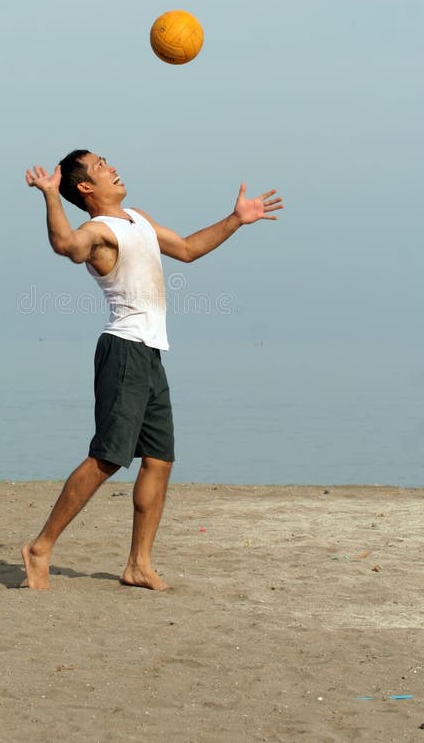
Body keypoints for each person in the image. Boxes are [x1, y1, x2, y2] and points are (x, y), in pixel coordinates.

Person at [23, 150, 282, 591]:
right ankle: (40, 547)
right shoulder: (96, 231)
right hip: (123, 350)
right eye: (101, 166)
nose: (112, 167)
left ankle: (138, 564)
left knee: (159, 461)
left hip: (150, 351)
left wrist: (236, 219)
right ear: (85, 187)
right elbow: (66, 247)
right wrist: (50, 195)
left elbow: (186, 248)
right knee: (108, 456)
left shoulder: (137, 219)